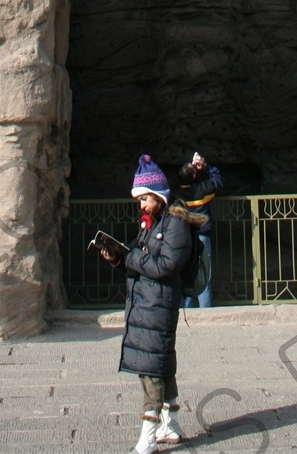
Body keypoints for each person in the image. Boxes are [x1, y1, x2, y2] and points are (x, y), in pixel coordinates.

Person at [99, 154, 203, 451]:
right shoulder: (153, 222)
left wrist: (130, 256)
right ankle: (171, 426)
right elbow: (143, 260)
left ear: (158, 195)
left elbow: (165, 265)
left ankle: (148, 437)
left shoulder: (176, 224)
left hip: (159, 304)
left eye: (144, 199)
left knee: (150, 369)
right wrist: (119, 258)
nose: (141, 206)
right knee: (160, 361)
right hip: (147, 303)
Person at [177, 152, 223, 309]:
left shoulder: (176, 194)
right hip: (202, 236)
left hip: (183, 238)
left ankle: (187, 310)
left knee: (186, 275)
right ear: (195, 176)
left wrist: (196, 171)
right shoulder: (202, 190)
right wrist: (205, 167)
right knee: (204, 273)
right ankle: (206, 311)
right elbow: (217, 181)